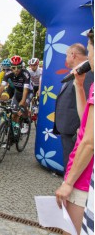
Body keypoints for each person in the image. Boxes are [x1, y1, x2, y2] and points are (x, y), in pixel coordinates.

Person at [56, 29, 94, 235]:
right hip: (79, 169)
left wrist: (68, 182)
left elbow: (89, 141)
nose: (90, 57)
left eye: (90, 50)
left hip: (83, 176)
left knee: (70, 230)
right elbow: (86, 118)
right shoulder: (88, 82)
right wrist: (79, 86)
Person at [54, 43, 93, 172]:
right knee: (69, 162)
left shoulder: (88, 73)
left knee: (73, 167)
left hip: (75, 131)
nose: (66, 59)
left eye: (66, 55)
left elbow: (88, 102)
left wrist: (80, 127)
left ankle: (70, 188)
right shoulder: (79, 71)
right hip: (69, 129)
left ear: (73, 55)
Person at [0, 55, 33, 134]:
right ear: (10, 67)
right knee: (14, 113)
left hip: (28, 92)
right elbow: (2, 87)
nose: (16, 70)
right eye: (13, 67)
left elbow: (26, 90)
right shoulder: (8, 73)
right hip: (18, 92)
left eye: (18, 67)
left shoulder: (25, 73)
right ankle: (14, 131)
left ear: (22, 66)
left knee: (24, 105)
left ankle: (26, 121)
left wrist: (22, 102)